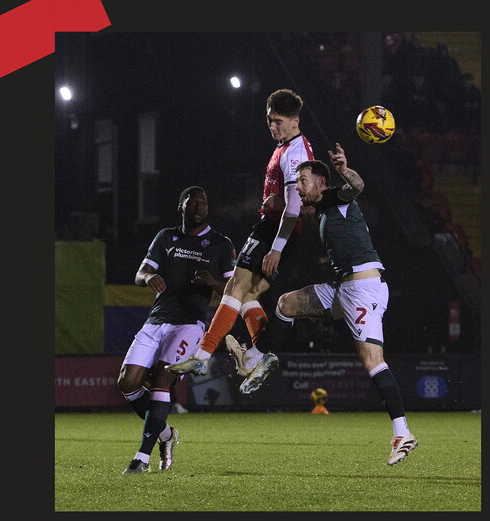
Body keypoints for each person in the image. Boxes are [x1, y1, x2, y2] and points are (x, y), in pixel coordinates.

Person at [225, 143, 418, 465]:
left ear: (322, 183)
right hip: (343, 287)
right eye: (296, 181)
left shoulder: (338, 199)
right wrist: (274, 203)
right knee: (287, 303)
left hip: (363, 289)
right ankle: (255, 357)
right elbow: (294, 211)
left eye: (303, 180)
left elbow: (356, 187)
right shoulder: (324, 208)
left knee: (372, 360)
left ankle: (402, 433)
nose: (297, 187)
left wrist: (344, 170)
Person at [166, 89, 313, 393]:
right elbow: (288, 200)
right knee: (245, 296)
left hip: (273, 232)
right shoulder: (287, 145)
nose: (273, 127)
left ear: (295, 121)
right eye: (270, 120)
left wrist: (275, 248)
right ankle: (257, 356)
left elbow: (294, 208)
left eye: (279, 122)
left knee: (234, 289)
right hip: (275, 230)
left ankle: (203, 355)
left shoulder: (296, 152)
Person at [117, 186, 236, 474]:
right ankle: (166, 434)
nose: (199, 206)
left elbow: (235, 291)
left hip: (189, 324)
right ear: (180, 206)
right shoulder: (166, 237)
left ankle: (141, 460)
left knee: (161, 380)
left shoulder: (220, 244)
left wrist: (212, 283)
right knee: (127, 382)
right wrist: (149, 277)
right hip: (156, 320)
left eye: (203, 202)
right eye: (192, 201)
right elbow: (140, 273)